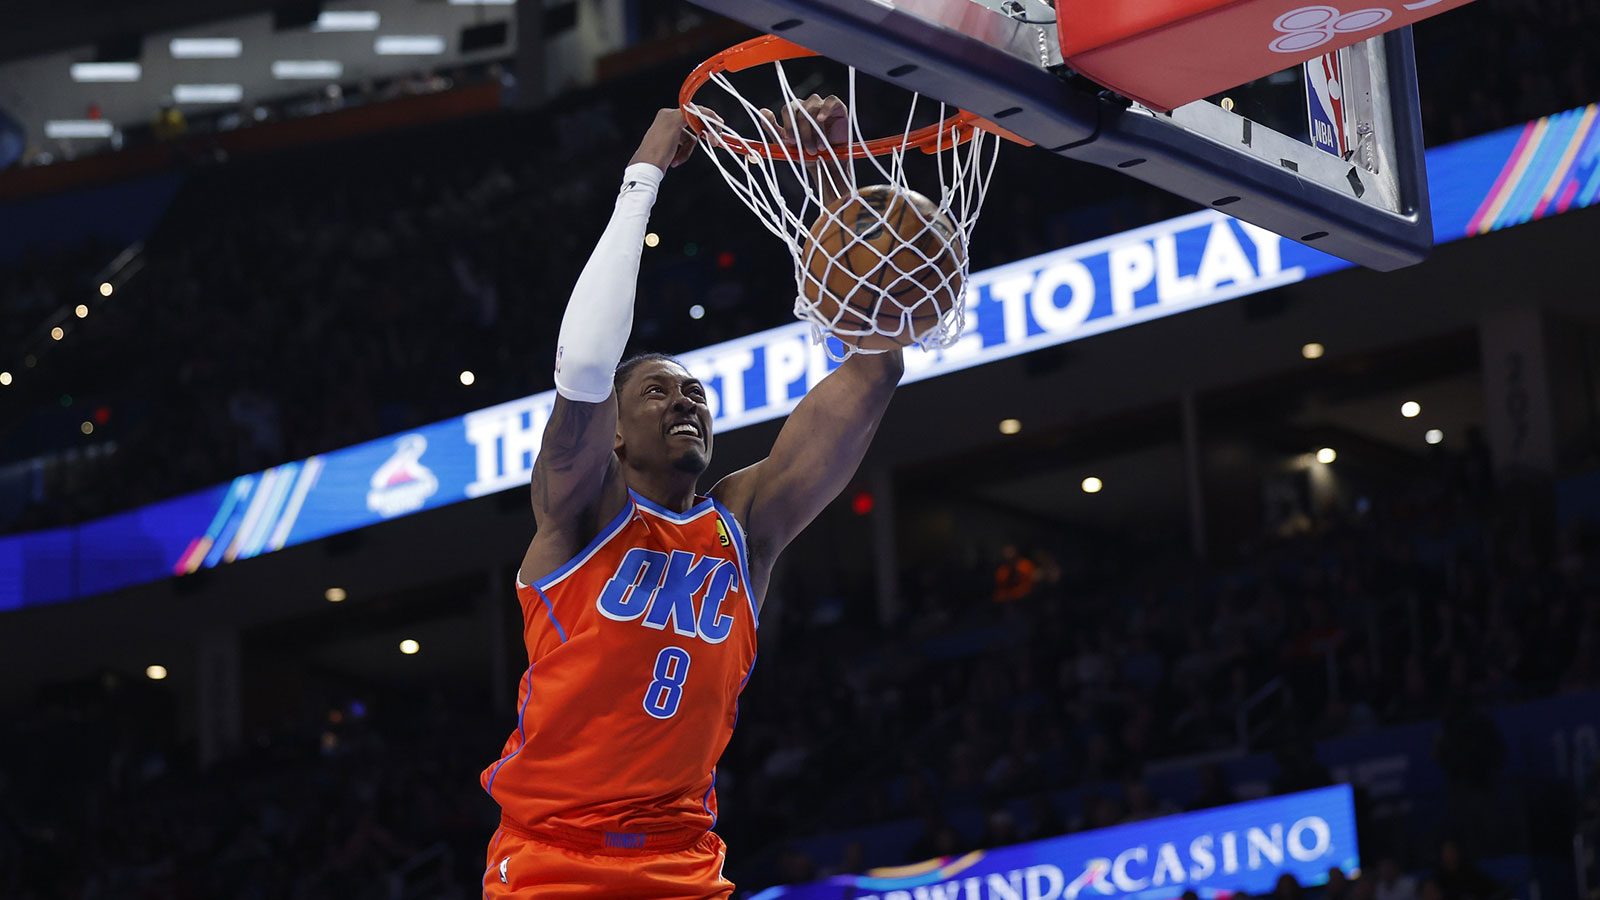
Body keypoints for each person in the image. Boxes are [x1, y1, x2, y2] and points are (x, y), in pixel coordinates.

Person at [479, 100, 903, 899]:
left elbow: (874, 370)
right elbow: (583, 373)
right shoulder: (577, 516)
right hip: (553, 857)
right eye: (659, 391)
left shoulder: (744, 525)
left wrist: (838, 190)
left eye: (698, 392)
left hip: (682, 861)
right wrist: (640, 183)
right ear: (611, 431)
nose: (687, 401)